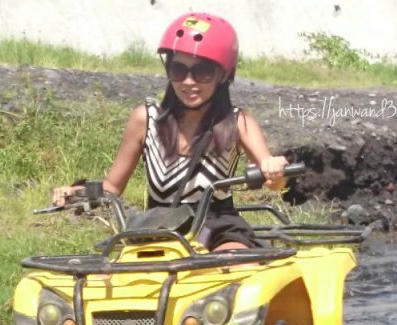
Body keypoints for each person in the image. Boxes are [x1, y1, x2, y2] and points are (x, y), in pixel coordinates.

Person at [52, 12, 290, 251]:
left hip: (218, 229)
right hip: (160, 229)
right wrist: (75, 192)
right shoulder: (145, 119)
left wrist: (274, 169)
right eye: (178, 70)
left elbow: (274, 181)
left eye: (203, 71)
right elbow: (112, 188)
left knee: (228, 268)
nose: (188, 81)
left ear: (223, 74)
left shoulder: (238, 122)